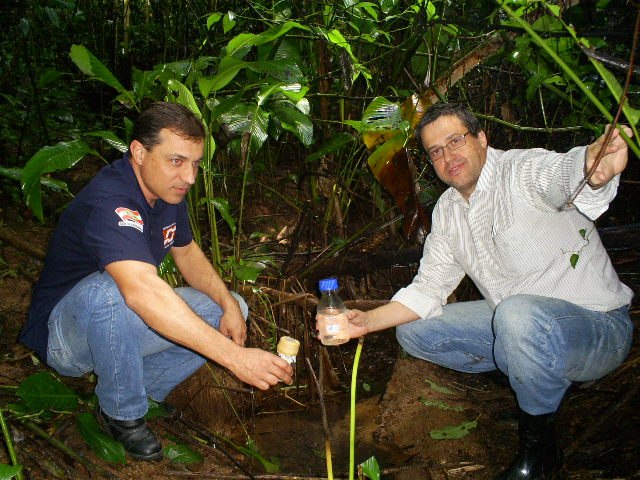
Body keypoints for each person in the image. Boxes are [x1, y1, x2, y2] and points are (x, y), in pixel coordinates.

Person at [342, 103, 634, 479]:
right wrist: (365, 321)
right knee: (413, 331)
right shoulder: (448, 211)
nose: (448, 157)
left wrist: (593, 168)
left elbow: (565, 174)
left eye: (455, 141)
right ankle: (533, 375)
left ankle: (539, 454)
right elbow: (428, 288)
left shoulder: (522, 170)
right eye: (436, 151)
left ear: (481, 139)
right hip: (522, 322)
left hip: (598, 328)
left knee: (516, 316)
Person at [20, 102, 293, 461]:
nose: (190, 177)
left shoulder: (167, 192)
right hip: (66, 337)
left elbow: (188, 253)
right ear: (138, 152)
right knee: (112, 291)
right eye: (176, 161)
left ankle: (143, 389)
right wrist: (235, 359)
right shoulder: (111, 199)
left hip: (119, 322)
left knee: (229, 308)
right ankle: (121, 413)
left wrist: (228, 304)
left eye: (195, 164)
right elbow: (141, 291)